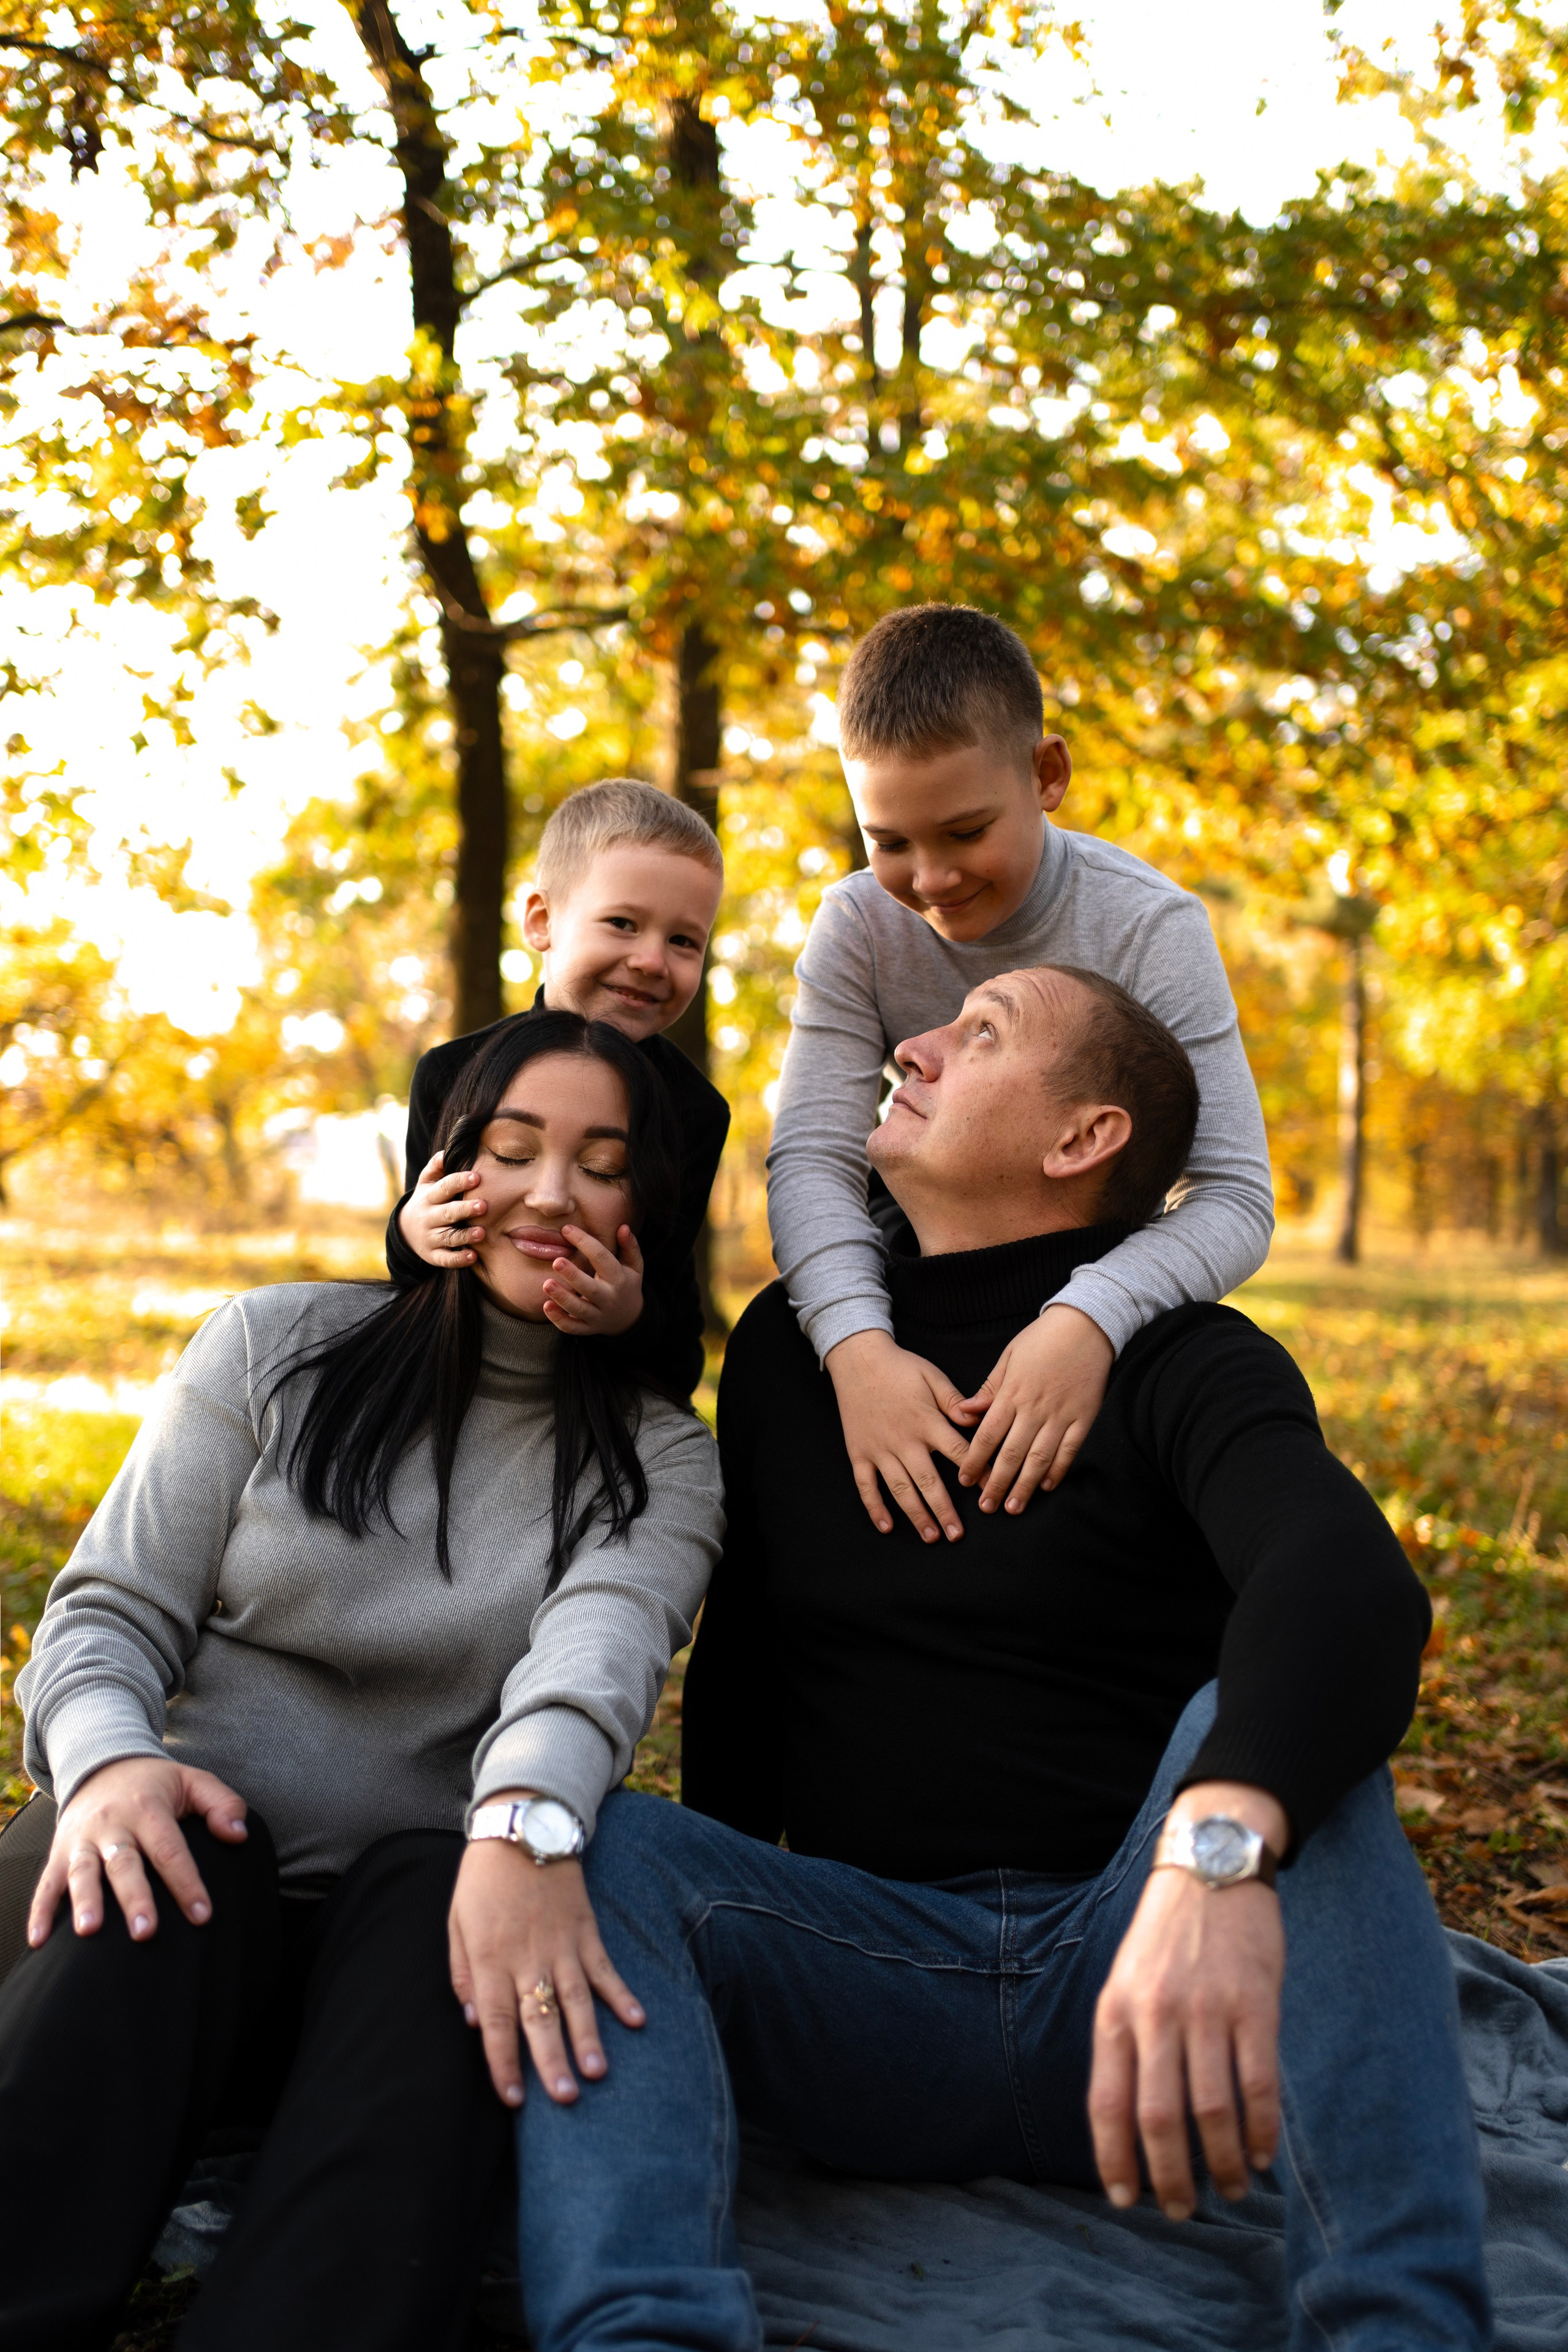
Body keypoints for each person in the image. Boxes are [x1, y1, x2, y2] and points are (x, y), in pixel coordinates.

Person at [500, 967, 1490, 2352]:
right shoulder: (798, 1358)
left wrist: (1215, 1844)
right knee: (601, 1844)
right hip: (868, 1977)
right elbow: (744, 1677)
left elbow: (1343, 1582)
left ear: (1079, 1137)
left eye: (979, 1032)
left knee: (1272, 1749)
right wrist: (701, 1980)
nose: (909, 1041)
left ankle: (1394, 2325)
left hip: (1141, 1981)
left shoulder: (1183, 1356)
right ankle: (641, 2331)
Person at [0, 1012, 723, 2352]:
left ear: (647, 1210)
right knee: (188, 1827)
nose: (550, 1193)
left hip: (398, 1980)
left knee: (433, 1874)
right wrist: (103, 1766)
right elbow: (106, 1613)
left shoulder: (656, 1461)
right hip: (143, 1929)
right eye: (511, 1149)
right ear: (446, 1173)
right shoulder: (273, 1348)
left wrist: (522, 1824)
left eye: (602, 1164)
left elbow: (593, 1668)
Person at [767, 602, 1276, 1543]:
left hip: (1087, 1262)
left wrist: (1088, 1320)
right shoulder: (855, 927)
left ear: (1047, 775)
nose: (929, 878)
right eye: (889, 842)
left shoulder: (1149, 927)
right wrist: (857, 1348)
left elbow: (1235, 1195)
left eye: (964, 832)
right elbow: (810, 1157)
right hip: (914, 1270)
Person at [390, 777, 729, 1398]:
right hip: (453, 1378)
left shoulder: (694, 1112)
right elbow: (412, 1277)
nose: (653, 960)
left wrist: (627, 1315)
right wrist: (412, 1230)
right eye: (623, 923)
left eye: (683, 941)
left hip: (600, 1396)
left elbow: (674, 1312)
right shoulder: (449, 1073)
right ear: (543, 921)